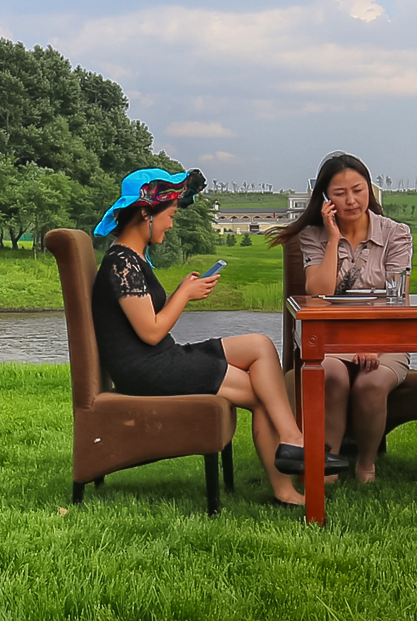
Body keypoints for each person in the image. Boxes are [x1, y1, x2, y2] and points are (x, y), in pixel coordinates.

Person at [90, 167, 346, 504]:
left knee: (260, 345)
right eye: (170, 215)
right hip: (148, 369)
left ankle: (292, 441)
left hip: (160, 359)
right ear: (145, 214)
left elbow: (147, 324)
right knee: (262, 393)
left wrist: (182, 290)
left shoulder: (131, 258)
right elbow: (151, 332)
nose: (171, 224)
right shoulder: (122, 263)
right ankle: (288, 472)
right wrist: (185, 294)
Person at [270, 152, 415, 482]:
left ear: (370, 190)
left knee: (371, 382)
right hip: (329, 337)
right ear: (326, 198)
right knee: (331, 374)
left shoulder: (396, 234)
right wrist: (333, 238)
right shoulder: (314, 235)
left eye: (358, 190)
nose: (351, 200)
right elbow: (318, 293)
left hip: (384, 337)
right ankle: (327, 462)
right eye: (340, 193)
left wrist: (372, 344)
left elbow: (397, 299)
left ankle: (366, 464)